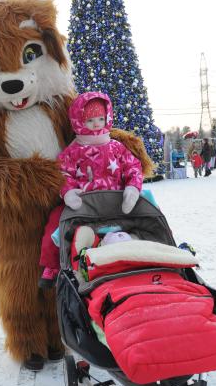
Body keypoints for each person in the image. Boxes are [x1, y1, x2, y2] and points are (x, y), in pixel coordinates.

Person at [39, 92, 144, 287]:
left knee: (148, 207)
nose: (96, 124)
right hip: (84, 204)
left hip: (117, 201)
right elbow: (63, 173)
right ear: (79, 121)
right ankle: (52, 265)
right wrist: (68, 192)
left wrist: (132, 188)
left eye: (101, 119)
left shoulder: (116, 147)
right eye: (90, 120)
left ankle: (160, 245)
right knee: (55, 222)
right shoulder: (73, 151)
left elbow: (133, 167)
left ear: (107, 118)